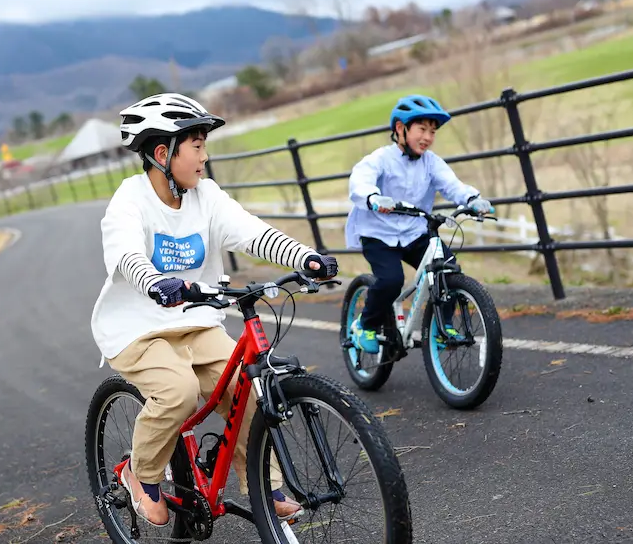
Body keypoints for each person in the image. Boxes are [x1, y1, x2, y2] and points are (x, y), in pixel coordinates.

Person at [89, 93, 338, 527]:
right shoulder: (130, 200)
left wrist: (304, 257)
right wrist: (156, 283)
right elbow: (128, 256)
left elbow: (251, 233)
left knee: (249, 388)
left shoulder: (206, 195)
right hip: (139, 329)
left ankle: (264, 483)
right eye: (197, 146)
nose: (205, 157)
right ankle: (141, 473)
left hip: (196, 320)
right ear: (164, 153)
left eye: (205, 145)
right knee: (179, 391)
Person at [344, 94, 493, 354]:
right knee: (391, 281)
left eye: (432, 132)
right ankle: (364, 325)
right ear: (401, 129)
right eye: (421, 129)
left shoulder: (431, 162)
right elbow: (361, 179)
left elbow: (451, 184)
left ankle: (441, 327)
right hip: (378, 233)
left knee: (448, 270)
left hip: (414, 232)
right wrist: (373, 197)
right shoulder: (381, 159)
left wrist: (472, 198)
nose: (427, 137)